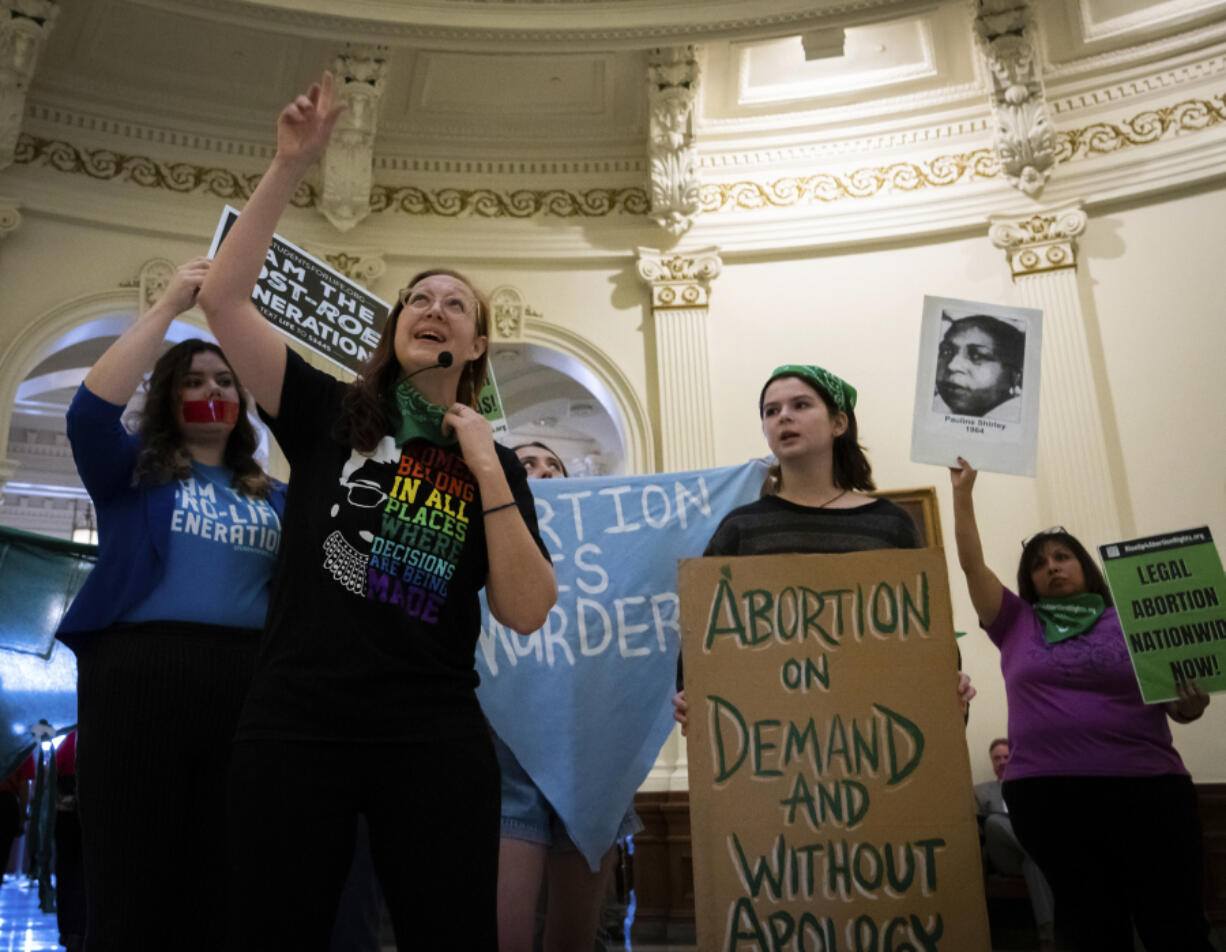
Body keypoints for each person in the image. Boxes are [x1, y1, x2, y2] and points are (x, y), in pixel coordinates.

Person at [197, 72, 557, 951]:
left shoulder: (492, 461)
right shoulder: (328, 412)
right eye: (418, 300)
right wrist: (290, 164)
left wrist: (485, 466)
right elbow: (224, 299)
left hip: (429, 730)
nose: (433, 309)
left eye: (456, 305)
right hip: (296, 718)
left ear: (476, 347)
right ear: (395, 331)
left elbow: (525, 609)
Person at [55, 257, 288, 952]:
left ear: (242, 402)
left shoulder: (277, 496)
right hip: (137, 676)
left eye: (223, 381)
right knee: (130, 870)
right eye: (191, 381)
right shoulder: (133, 472)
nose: (210, 390)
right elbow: (89, 413)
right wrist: (167, 307)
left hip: (248, 685)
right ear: (168, 397)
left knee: (227, 873)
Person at [949, 456, 1213, 951]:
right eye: (1040, 563)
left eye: (1062, 557)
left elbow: (1179, 707)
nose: (1051, 567)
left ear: (1085, 567)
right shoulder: (1015, 621)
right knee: (1091, 929)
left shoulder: (1136, 617)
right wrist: (963, 493)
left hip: (1148, 789)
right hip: (1050, 798)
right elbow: (970, 563)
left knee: (1174, 924)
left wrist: (1192, 704)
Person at [674, 364, 975, 731]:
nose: (784, 416)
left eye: (800, 405)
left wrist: (949, 687)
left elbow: (925, 628)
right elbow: (704, 634)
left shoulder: (889, 525)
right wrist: (691, 695)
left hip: (876, 739)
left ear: (838, 424)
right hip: (773, 746)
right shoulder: (741, 529)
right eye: (772, 411)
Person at [497, 439, 634, 952]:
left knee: (574, 941)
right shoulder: (477, 539)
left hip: (588, 756)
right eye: (526, 464)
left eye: (553, 466)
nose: (543, 472)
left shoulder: (601, 555)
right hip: (505, 756)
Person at [974, 738, 1055, 952]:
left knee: (1034, 862)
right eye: (996, 758)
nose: (1001, 762)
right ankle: (1040, 849)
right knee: (992, 821)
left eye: (1006, 757)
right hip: (1002, 854)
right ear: (991, 762)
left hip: (1027, 854)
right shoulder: (980, 791)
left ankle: (1048, 934)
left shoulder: (1030, 787)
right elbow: (979, 828)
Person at [933, 314, 1024, 420]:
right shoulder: (935, 407)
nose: (952, 366)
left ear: (1015, 377)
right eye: (946, 351)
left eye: (977, 356)